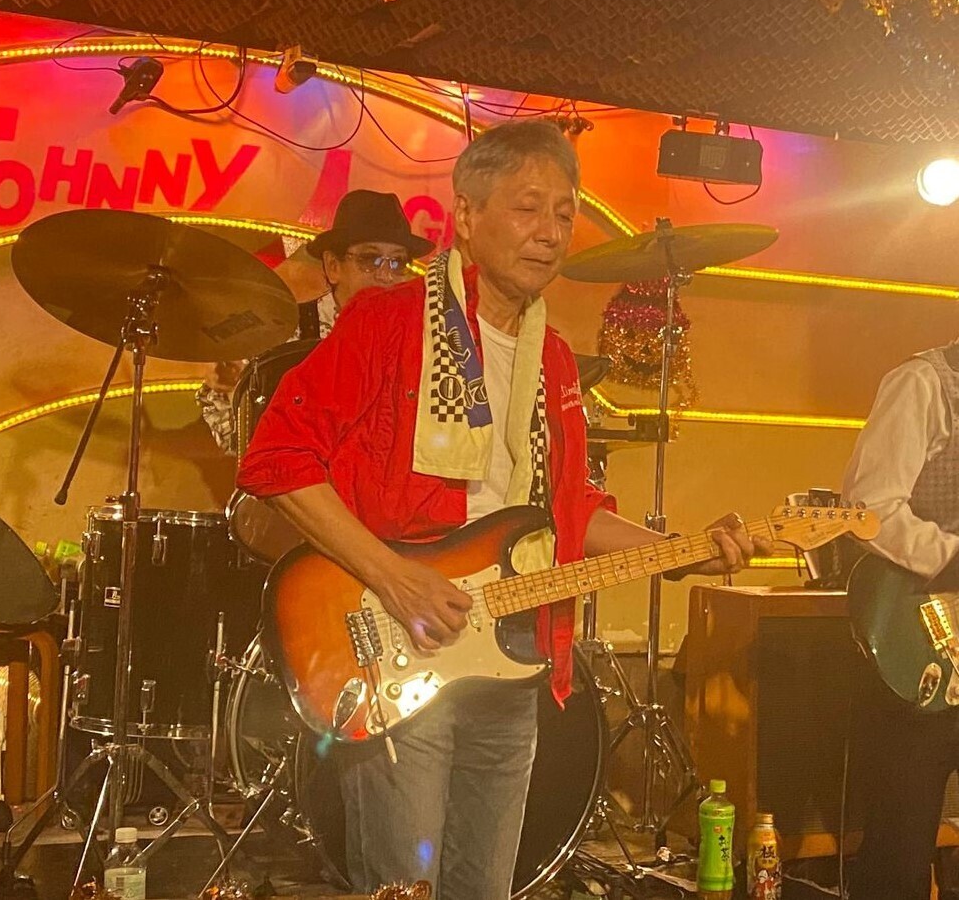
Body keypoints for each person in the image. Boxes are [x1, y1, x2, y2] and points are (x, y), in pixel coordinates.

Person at [236, 119, 770, 899]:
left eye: (564, 212)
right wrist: (395, 578)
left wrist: (681, 549)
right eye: (528, 208)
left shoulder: (553, 357)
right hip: (400, 646)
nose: (551, 232)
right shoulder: (387, 322)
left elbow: (568, 511)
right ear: (467, 213)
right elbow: (275, 460)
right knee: (406, 888)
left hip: (512, 656)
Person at [843, 340, 959, 900]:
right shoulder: (924, 383)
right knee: (900, 848)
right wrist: (952, 556)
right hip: (923, 640)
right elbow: (871, 507)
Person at [195, 189, 432, 452]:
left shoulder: (423, 338)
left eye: (397, 262)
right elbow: (239, 444)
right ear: (333, 266)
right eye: (369, 259)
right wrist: (232, 390)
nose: (386, 275)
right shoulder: (283, 331)